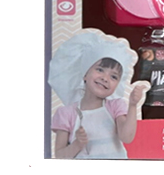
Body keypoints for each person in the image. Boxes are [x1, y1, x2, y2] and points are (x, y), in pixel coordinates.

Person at [48, 29, 148, 159]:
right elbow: (60, 156)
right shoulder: (66, 113)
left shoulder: (115, 106)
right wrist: (77, 144)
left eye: (113, 77)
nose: (105, 78)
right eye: (100, 70)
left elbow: (127, 137)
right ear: (85, 74)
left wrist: (133, 105)